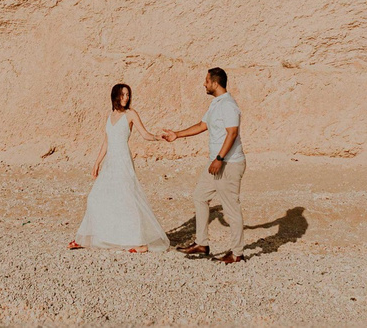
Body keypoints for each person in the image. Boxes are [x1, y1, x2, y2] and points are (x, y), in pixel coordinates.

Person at [159, 66, 246, 263]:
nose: (204, 84)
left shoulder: (229, 105)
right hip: (216, 162)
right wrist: (176, 135)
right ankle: (202, 243)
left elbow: (232, 133)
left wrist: (219, 158)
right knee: (200, 196)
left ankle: (237, 253)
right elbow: (202, 125)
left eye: (206, 81)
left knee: (231, 208)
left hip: (228, 163)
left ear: (215, 83)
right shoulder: (216, 104)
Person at [69, 82, 169, 252]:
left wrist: (157, 137)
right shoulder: (110, 115)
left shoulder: (131, 114)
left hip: (123, 160)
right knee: (97, 197)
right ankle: (92, 237)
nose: (126, 98)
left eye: (128, 95)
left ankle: (140, 244)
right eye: (122, 95)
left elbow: (144, 134)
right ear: (115, 96)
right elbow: (106, 142)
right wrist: (97, 162)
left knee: (127, 199)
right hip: (110, 162)